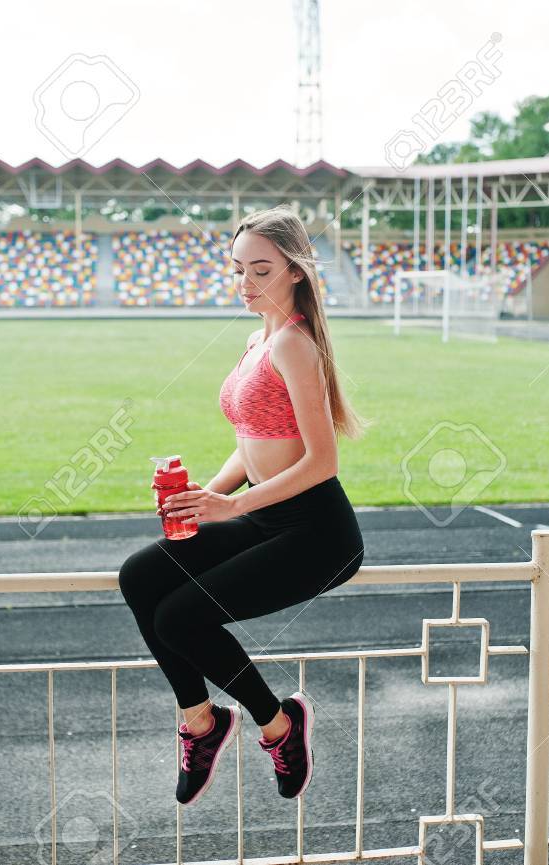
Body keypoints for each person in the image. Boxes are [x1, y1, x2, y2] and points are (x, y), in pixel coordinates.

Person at [117, 205, 368, 806]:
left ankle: (279, 725)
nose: (246, 284)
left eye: (261, 271)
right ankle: (200, 721)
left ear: (296, 272)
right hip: (263, 517)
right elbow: (251, 441)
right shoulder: (256, 339)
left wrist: (232, 508)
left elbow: (321, 462)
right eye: (238, 270)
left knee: (179, 617)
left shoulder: (294, 344)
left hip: (317, 533)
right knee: (140, 577)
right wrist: (207, 495)